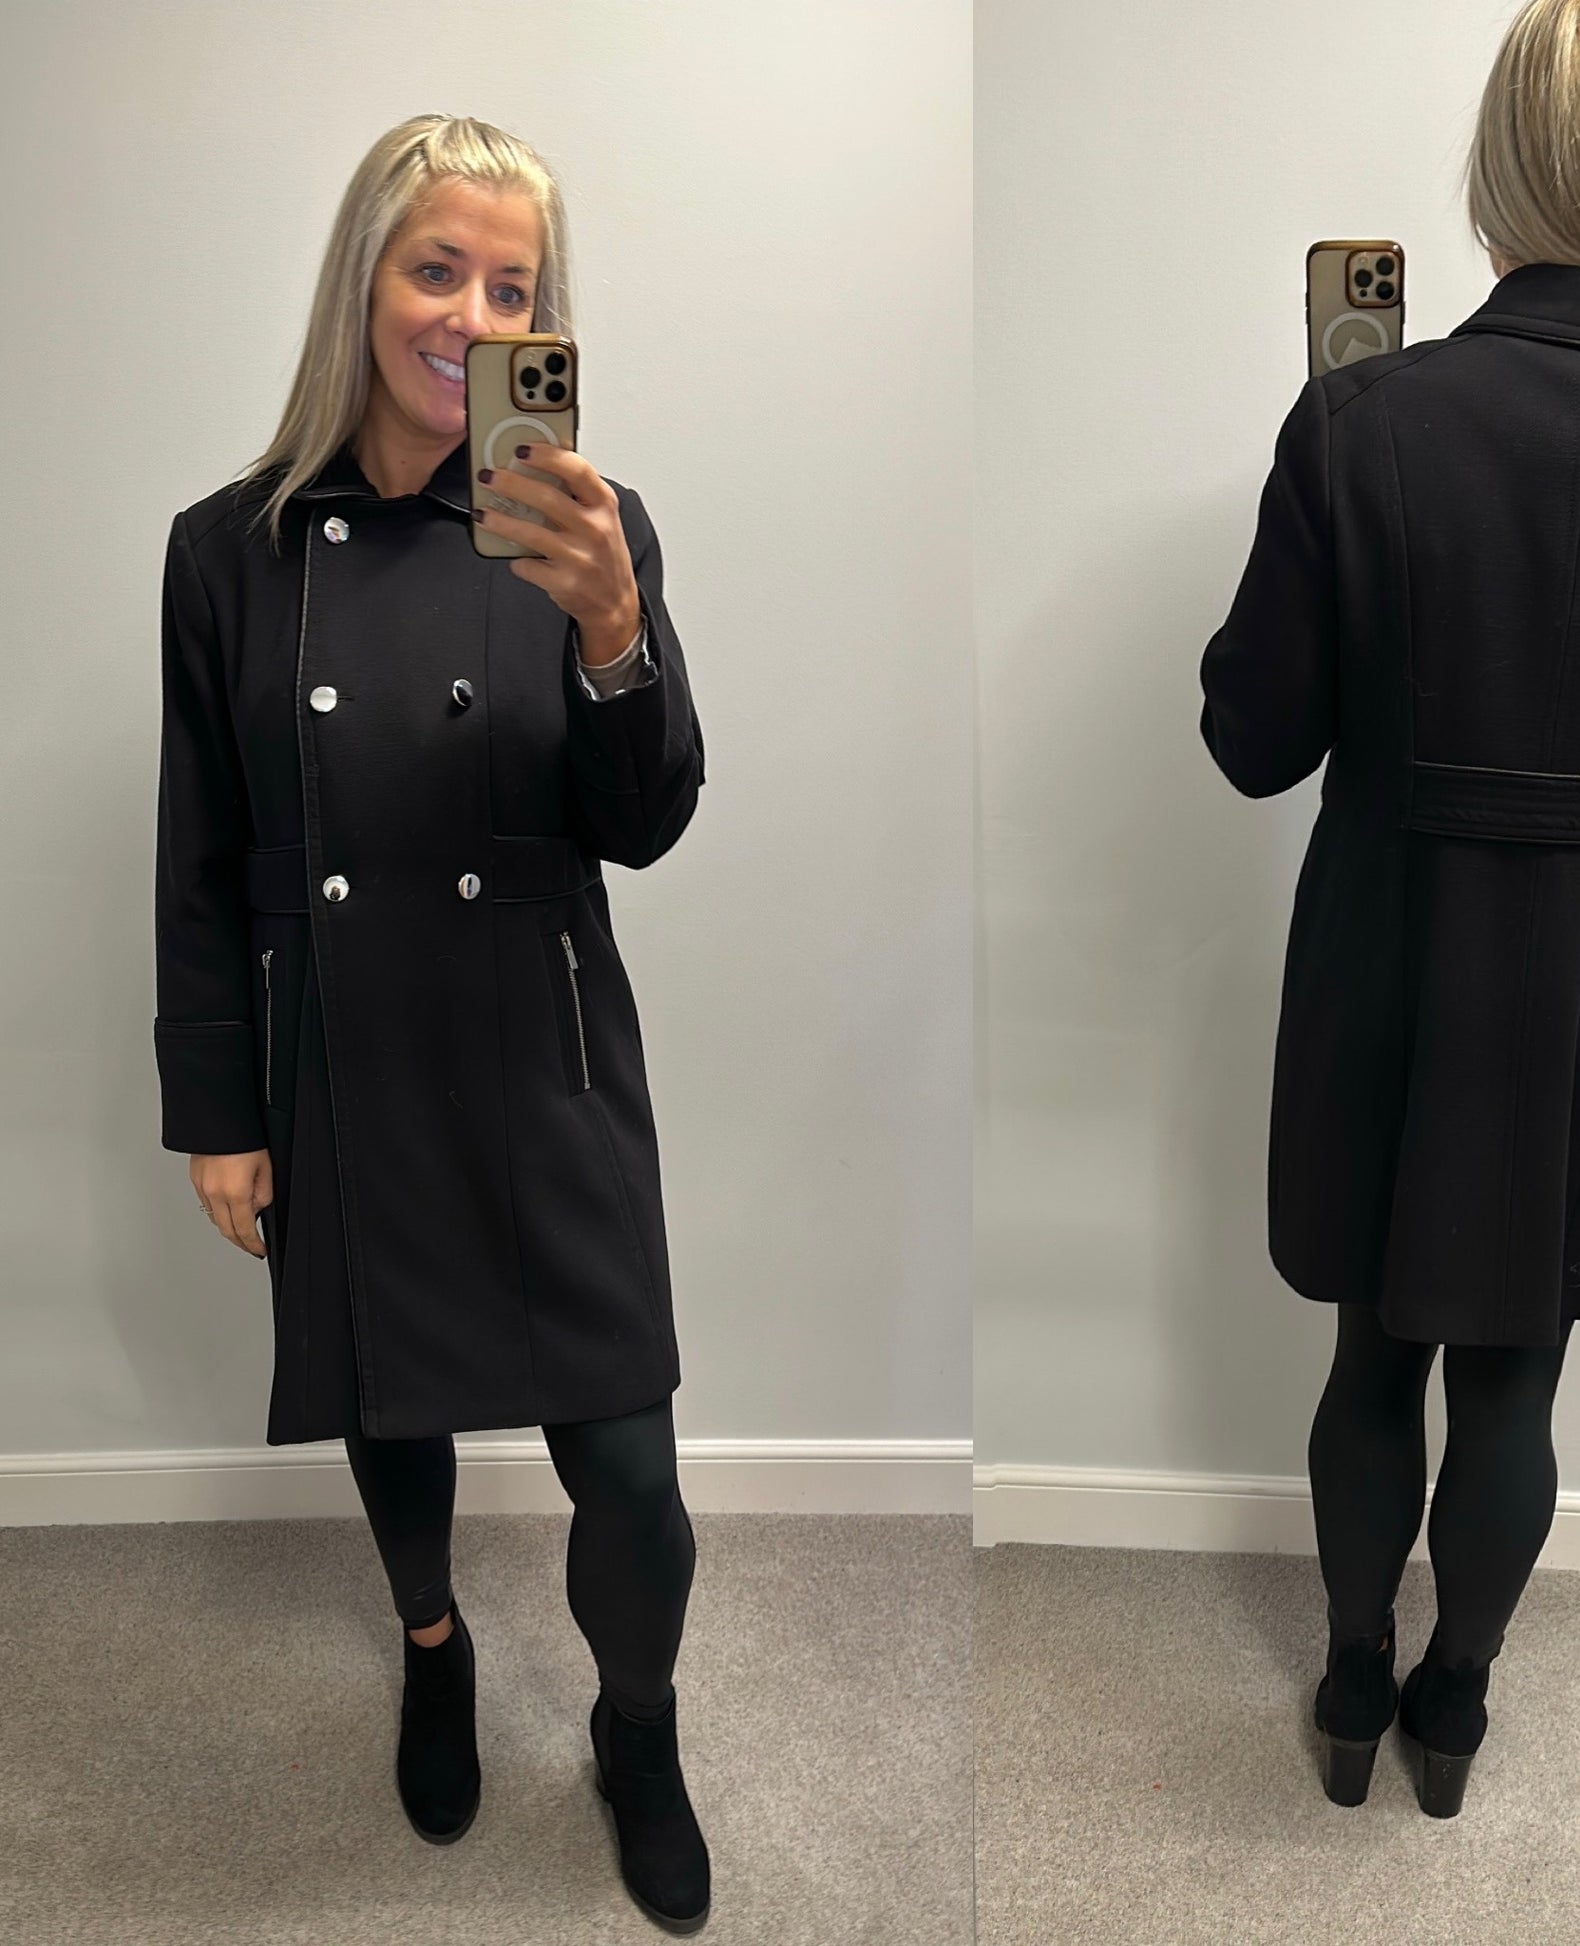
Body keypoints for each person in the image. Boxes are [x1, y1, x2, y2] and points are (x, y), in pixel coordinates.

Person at [1198, 0, 1580, 1819]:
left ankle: (1351, 1677)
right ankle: (1451, 1704)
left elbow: (1250, 739)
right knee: (1516, 1377)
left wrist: (1331, 438)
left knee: (1370, 1350)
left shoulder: (1362, 420)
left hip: (1384, 962)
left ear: (1503, 159)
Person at [152, 115, 710, 1931]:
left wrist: (614, 631)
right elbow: (200, 850)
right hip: (347, 1042)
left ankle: (637, 1723)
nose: (474, 316)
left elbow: (648, 817)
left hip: (540, 1048)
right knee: (391, 1405)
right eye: (438, 269)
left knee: (630, 1469)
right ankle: (434, 1642)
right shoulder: (229, 550)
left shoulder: (585, 524)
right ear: (364, 284)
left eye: (513, 285)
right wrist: (215, 1107)